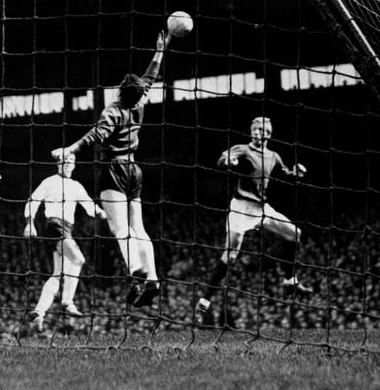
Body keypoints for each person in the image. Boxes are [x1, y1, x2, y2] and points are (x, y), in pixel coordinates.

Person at [51, 30, 169, 308]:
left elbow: (96, 135)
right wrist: (160, 52)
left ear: (118, 90)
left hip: (113, 169)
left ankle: (135, 271)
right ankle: (152, 278)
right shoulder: (139, 102)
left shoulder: (113, 110)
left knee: (120, 230)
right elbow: (150, 78)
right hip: (134, 169)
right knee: (139, 228)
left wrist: (71, 149)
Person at [195, 116, 313, 324]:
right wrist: (228, 162)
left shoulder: (273, 156)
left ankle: (289, 280)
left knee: (295, 234)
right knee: (230, 256)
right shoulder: (243, 149)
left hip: (262, 209)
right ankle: (205, 299)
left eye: (265, 129)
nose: (261, 132)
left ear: (270, 133)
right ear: (252, 132)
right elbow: (223, 159)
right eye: (257, 129)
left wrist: (295, 173)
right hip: (241, 208)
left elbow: (285, 174)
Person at [23, 153, 106, 333]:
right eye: (65, 161)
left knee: (58, 274)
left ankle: (39, 312)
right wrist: (30, 224)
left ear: (74, 165)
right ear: (58, 164)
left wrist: (103, 213)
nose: (68, 164)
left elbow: (90, 207)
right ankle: (67, 302)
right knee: (78, 259)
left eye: (71, 162)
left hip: (67, 227)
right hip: (54, 225)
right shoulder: (49, 182)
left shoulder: (76, 186)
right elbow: (33, 200)